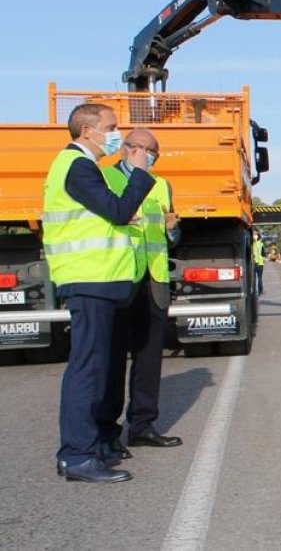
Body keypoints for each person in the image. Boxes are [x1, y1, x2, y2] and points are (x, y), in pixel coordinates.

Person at [44, 103, 154, 483]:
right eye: (110, 126)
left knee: (102, 367)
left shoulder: (84, 167)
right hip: (89, 281)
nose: (115, 133)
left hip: (103, 282)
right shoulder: (76, 166)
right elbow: (119, 212)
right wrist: (139, 172)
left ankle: (97, 444)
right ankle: (76, 455)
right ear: (87, 130)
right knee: (87, 370)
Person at [97, 128, 184, 453]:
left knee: (149, 357)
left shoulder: (161, 184)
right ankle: (106, 431)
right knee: (113, 357)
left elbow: (168, 235)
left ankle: (143, 426)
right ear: (124, 150)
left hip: (154, 279)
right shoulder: (104, 178)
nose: (143, 154)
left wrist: (173, 230)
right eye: (137, 148)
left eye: (150, 151)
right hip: (119, 278)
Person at [251, 229, 265, 295]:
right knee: (260, 278)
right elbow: (263, 254)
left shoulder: (252, 244)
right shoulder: (261, 244)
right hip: (260, 264)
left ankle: (253, 291)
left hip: (254, 264)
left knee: (253, 279)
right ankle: (260, 291)